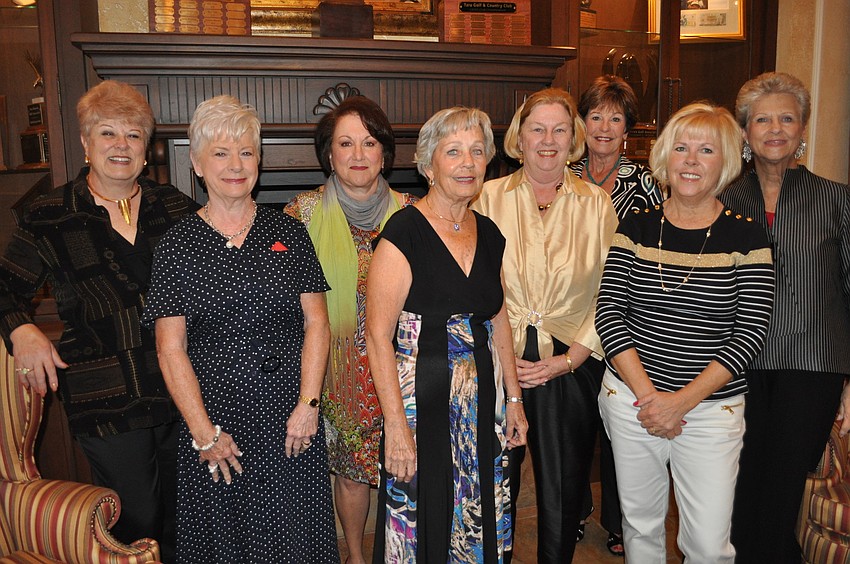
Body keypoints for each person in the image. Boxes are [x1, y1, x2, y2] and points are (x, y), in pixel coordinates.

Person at [0, 80, 197, 562]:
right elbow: (4, 285)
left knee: (185, 517)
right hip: (107, 397)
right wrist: (22, 329)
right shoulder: (49, 215)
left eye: (133, 135)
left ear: (147, 149)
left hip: (182, 389)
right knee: (137, 518)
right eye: (107, 133)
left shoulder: (175, 208)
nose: (120, 146)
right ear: (86, 143)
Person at [143, 95, 339, 563]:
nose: (236, 165)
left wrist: (309, 404)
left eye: (246, 152)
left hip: (292, 423)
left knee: (296, 539)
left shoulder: (289, 232)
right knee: (229, 545)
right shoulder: (176, 246)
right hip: (218, 427)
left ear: (259, 161)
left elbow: (318, 324)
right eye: (221, 153)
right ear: (196, 163)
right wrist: (204, 434)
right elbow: (171, 351)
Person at [595, 102, 775, 562]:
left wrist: (679, 402)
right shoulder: (634, 227)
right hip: (633, 404)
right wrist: (650, 399)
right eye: (681, 148)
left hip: (711, 413)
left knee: (708, 545)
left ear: (727, 163)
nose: (691, 161)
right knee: (640, 528)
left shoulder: (748, 237)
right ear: (664, 157)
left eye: (706, 150)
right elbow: (610, 314)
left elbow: (750, 333)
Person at [366, 106, 528, 563]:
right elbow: (378, 336)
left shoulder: (491, 234)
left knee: (478, 519)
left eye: (477, 152)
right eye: (453, 151)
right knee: (423, 522)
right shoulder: (403, 233)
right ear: (428, 165)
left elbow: (497, 318)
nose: (468, 163)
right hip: (420, 413)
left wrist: (514, 400)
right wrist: (395, 427)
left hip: (483, 411)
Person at [471, 87, 618, 563]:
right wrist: (499, 355)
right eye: (538, 128)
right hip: (496, 361)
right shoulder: (485, 198)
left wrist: (571, 358)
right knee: (494, 483)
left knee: (562, 487)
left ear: (574, 138)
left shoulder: (597, 205)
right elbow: (469, 283)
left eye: (559, 129)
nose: (548, 140)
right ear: (519, 136)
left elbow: (612, 293)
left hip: (572, 364)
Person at [721, 72, 850, 563]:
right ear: (746, 132)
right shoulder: (724, 200)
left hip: (812, 365)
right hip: (736, 362)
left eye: (787, 119)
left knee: (784, 484)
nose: (775, 129)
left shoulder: (837, 199)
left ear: (803, 131)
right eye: (762, 120)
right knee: (738, 478)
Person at [284, 95, 414, 564]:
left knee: (409, 465)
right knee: (353, 472)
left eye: (369, 142)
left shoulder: (414, 213)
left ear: (385, 152)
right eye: (345, 144)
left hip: (404, 364)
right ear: (329, 154)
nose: (358, 155)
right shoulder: (300, 215)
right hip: (335, 371)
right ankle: (356, 556)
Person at [570, 74, 664, 557]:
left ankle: (619, 521)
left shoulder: (641, 181)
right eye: (595, 116)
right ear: (581, 123)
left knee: (617, 426)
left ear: (628, 127)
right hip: (568, 311)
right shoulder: (563, 171)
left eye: (615, 117)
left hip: (622, 313)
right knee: (576, 419)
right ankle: (574, 507)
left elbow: (652, 251)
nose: (604, 127)